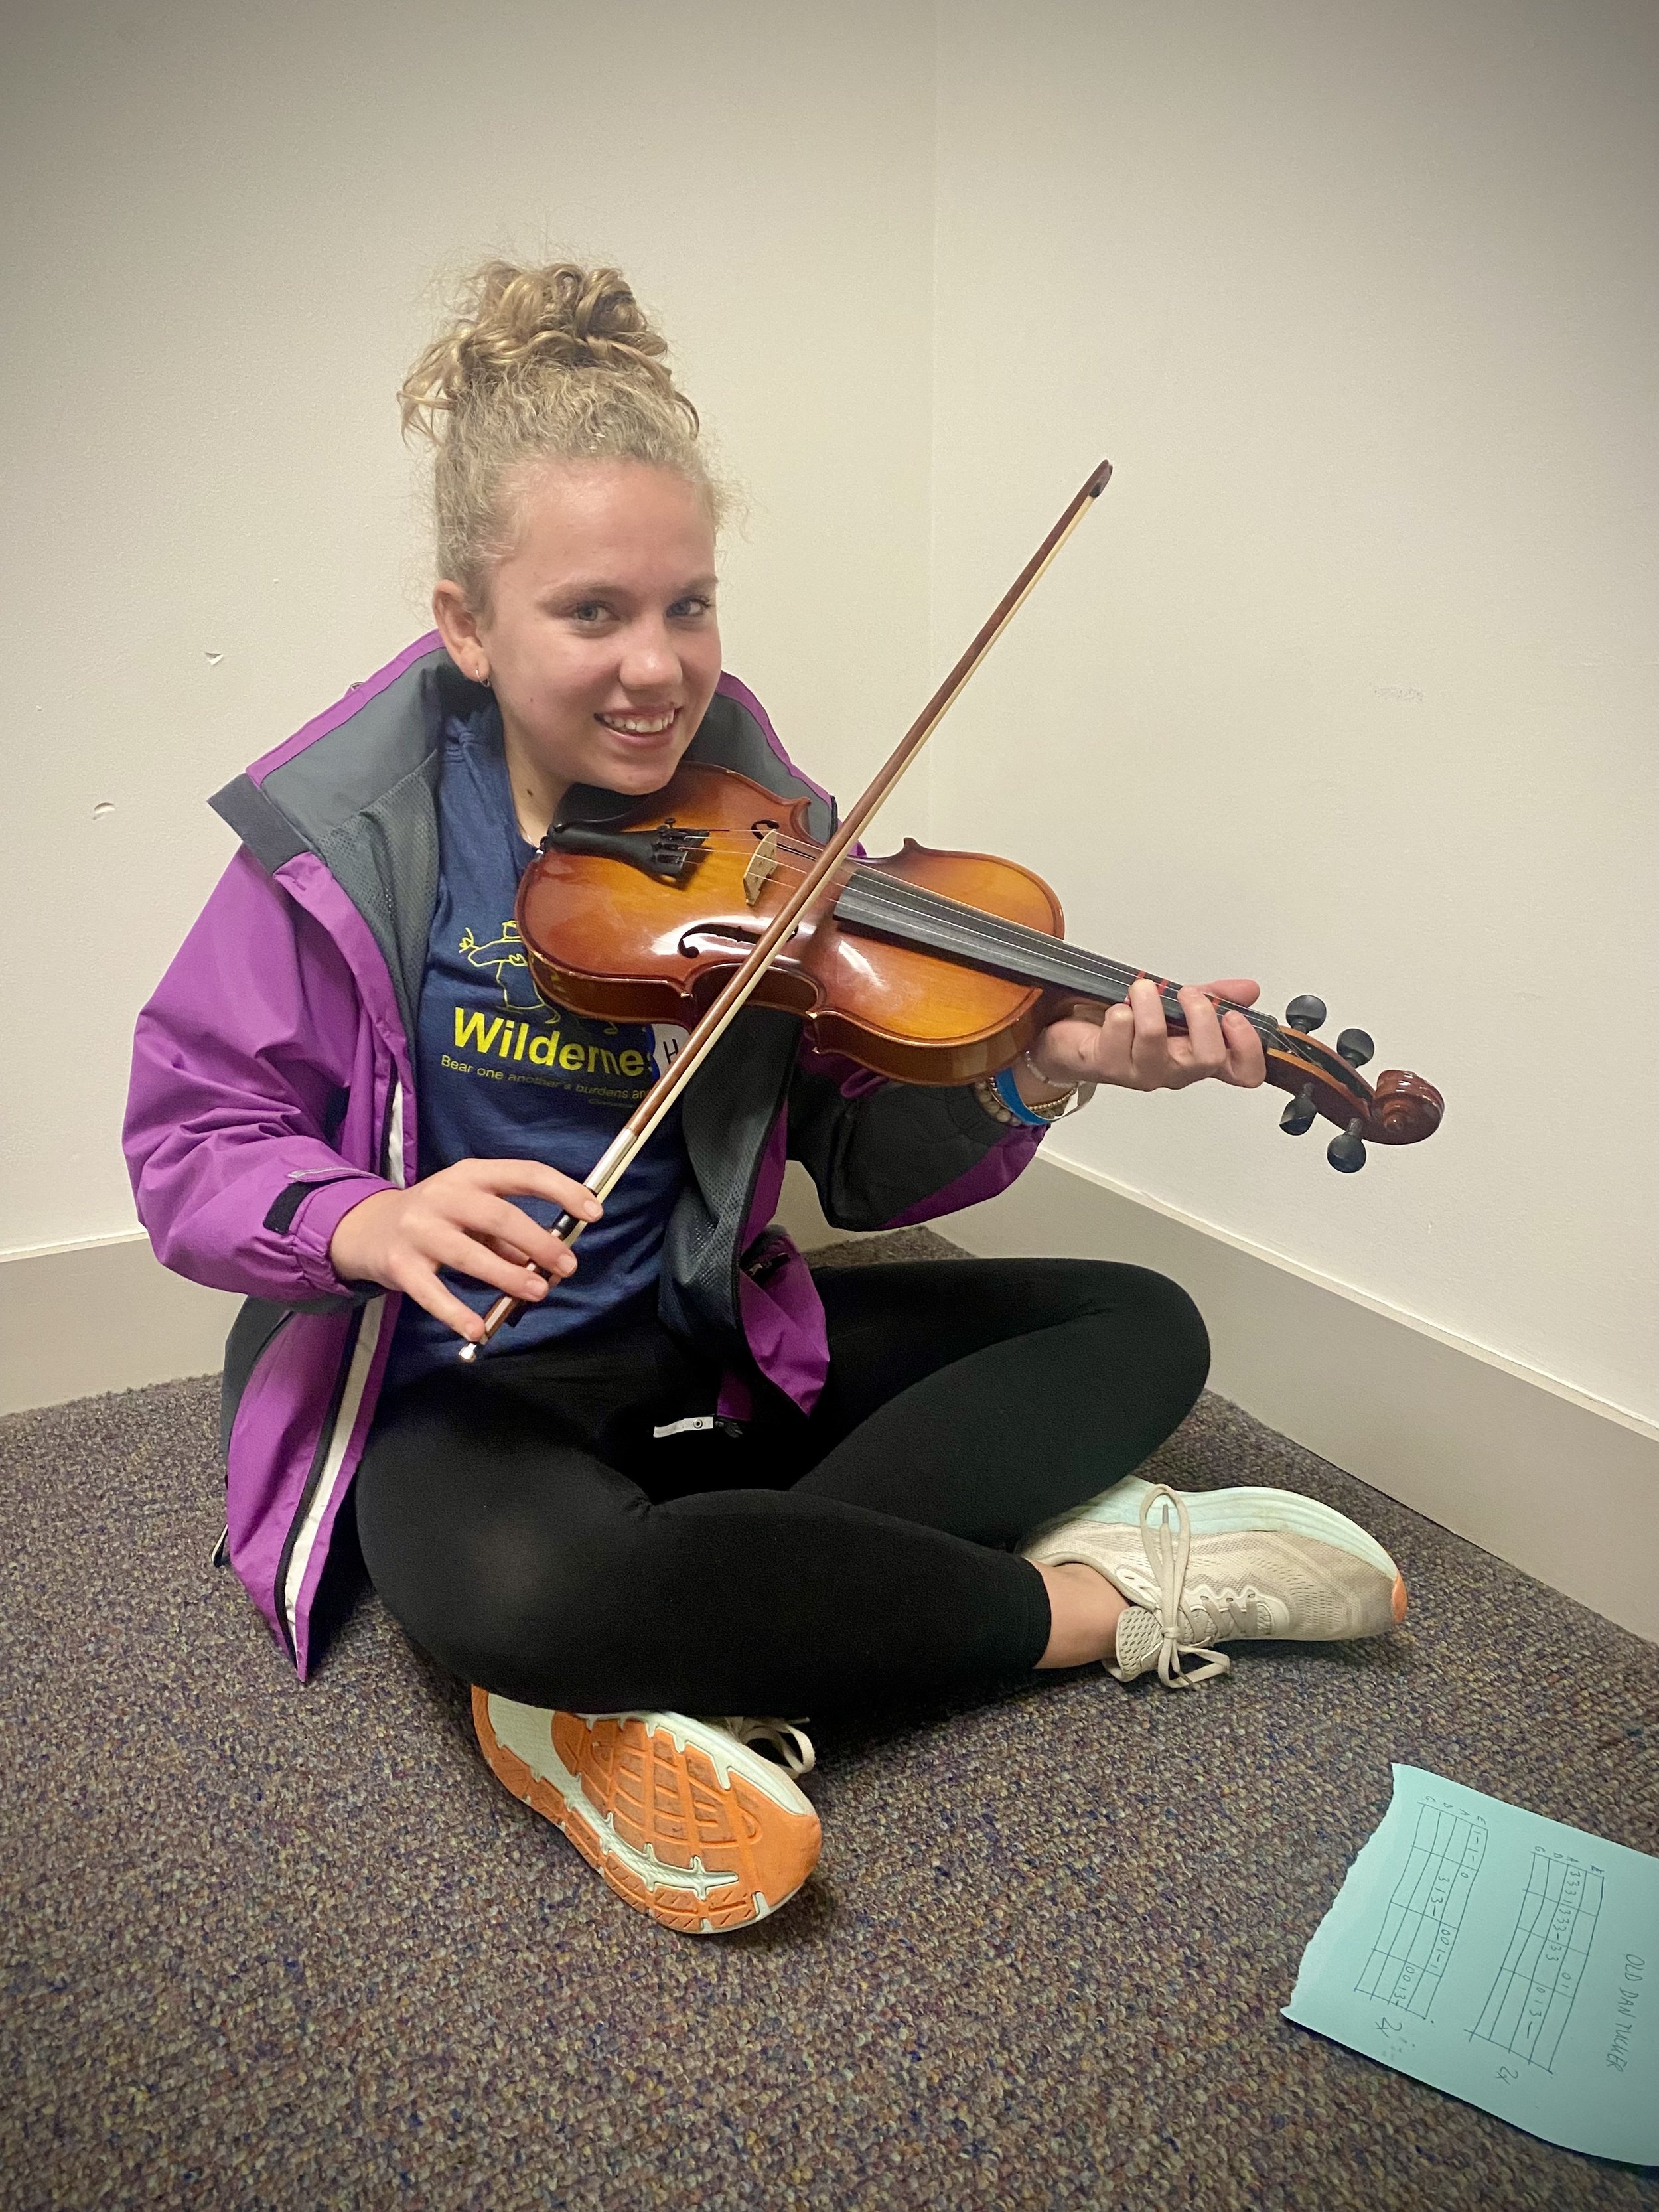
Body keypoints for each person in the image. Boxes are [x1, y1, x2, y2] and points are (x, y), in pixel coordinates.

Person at [125, 261, 1407, 1937]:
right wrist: (369, 1219)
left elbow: (858, 1164)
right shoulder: (356, 839)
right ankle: (1084, 1607)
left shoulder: (768, 830)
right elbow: (192, 1137)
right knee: (516, 1590)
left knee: (1138, 1323)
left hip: (703, 1341)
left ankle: (665, 1641)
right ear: (466, 622)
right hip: (469, 1384)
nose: (654, 667)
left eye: (690, 605)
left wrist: (1041, 1064)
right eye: (592, 612)